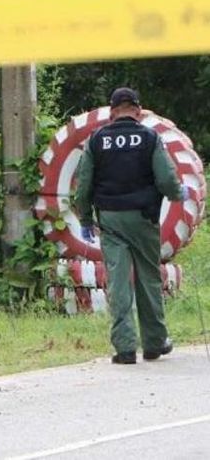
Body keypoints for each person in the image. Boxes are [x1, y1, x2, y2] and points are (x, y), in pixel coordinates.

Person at [75, 87, 187, 365]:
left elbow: (84, 184)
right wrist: (177, 194)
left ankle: (125, 348)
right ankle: (154, 343)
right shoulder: (150, 137)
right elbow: (166, 179)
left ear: (112, 113)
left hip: (111, 220)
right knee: (149, 277)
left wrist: (86, 219)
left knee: (118, 279)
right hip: (143, 218)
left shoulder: (96, 140)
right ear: (137, 111)